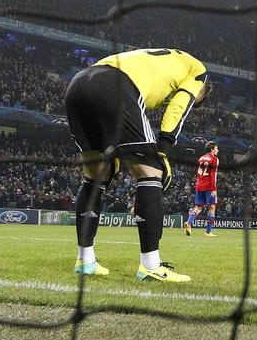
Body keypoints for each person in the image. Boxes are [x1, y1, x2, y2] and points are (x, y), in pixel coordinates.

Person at [65, 47, 209, 282]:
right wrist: (163, 150)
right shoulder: (199, 72)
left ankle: (85, 260)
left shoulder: (164, 58)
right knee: (151, 172)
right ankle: (151, 266)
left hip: (79, 83)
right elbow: (178, 108)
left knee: (96, 175)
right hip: (116, 85)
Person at [183, 141, 220, 238]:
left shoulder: (201, 158)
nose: (217, 150)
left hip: (199, 185)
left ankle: (189, 222)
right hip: (208, 186)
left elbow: (198, 173)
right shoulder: (214, 159)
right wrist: (214, 189)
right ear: (212, 150)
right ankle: (208, 232)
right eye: (216, 148)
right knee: (212, 207)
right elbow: (213, 175)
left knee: (198, 207)